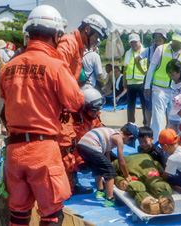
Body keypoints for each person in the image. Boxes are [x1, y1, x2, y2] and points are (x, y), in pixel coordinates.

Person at [0, 5, 85, 225]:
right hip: (43, 150)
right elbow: (76, 102)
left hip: (14, 151)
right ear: (56, 35)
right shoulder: (55, 66)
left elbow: (5, 101)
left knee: (18, 214)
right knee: (51, 214)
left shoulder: (8, 67)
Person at [56, 14, 108, 195]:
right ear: (87, 30)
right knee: (65, 143)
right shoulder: (69, 43)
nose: (96, 41)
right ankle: (66, 185)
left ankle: (71, 182)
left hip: (67, 104)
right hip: (61, 105)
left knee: (70, 140)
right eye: (96, 36)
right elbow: (57, 71)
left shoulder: (78, 48)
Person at [77, 123, 139, 207]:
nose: (126, 144)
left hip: (82, 145)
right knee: (110, 170)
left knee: (97, 166)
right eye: (129, 142)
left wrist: (109, 166)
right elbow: (121, 161)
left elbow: (106, 156)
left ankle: (100, 191)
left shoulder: (111, 133)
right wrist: (127, 175)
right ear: (130, 137)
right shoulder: (119, 138)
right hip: (91, 145)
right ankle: (110, 199)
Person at [144, 28, 181, 141]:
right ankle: (157, 143)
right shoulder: (161, 49)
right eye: (175, 41)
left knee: (175, 119)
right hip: (159, 89)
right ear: (172, 39)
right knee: (158, 119)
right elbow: (151, 68)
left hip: (177, 91)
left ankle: (173, 142)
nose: (177, 44)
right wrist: (147, 86)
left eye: (180, 43)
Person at [62, 88, 105, 195]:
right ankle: (71, 185)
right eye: (93, 110)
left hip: (85, 147)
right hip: (70, 150)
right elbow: (75, 145)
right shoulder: (74, 120)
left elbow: (99, 133)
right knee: (68, 159)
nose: (95, 113)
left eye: (97, 110)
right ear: (85, 108)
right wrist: (81, 163)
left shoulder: (95, 116)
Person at [135, 29, 168, 127]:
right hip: (150, 80)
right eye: (156, 37)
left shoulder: (167, 50)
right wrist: (143, 72)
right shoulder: (149, 50)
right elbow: (137, 59)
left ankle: (167, 127)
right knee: (148, 104)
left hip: (163, 81)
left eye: (159, 37)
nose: (157, 39)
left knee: (165, 104)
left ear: (164, 39)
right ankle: (147, 126)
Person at [123, 33, 147, 126]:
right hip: (130, 83)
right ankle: (130, 123)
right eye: (131, 43)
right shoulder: (128, 53)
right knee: (130, 105)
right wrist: (124, 79)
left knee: (144, 104)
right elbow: (125, 67)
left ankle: (146, 122)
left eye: (135, 42)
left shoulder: (145, 52)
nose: (133, 44)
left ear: (139, 41)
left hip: (142, 82)